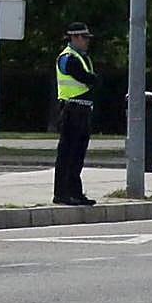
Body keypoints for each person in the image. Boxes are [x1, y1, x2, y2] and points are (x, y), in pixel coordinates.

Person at [54, 22, 100, 206]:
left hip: (83, 110)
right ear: (73, 37)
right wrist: (94, 80)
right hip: (71, 110)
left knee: (78, 154)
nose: (86, 41)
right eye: (83, 38)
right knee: (67, 153)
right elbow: (86, 78)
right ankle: (61, 193)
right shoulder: (68, 58)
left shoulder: (81, 57)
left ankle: (75, 192)